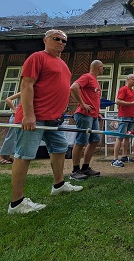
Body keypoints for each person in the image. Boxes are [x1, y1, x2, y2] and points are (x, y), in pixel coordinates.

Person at [8, 30, 83, 215]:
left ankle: (58, 185)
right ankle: (16, 203)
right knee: (24, 155)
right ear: (45, 40)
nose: (60, 42)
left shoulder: (63, 65)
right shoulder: (37, 57)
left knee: (59, 148)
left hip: (53, 119)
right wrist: (28, 115)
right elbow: (26, 85)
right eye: (56, 39)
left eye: (64, 40)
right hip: (35, 116)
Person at [69, 60, 104, 180]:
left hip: (93, 116)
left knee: (95, 140)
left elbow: (93, 99)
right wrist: (83, 104)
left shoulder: (95, 82)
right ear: (98, 68)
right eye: (102, 68)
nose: (103, 70)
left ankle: (85, 167)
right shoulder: (87, 77)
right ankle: (75, 170)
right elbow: (73, 88)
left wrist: (97, 113)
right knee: (81, 141)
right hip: (84, 114)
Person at [111, 74, 134, 167]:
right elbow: (118, 101)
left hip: (131, 116)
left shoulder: (132, 91)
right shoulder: (123, 89)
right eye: (133, 79)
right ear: (128, 79)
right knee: (120, 137)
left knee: (127, 137)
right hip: (123, 116)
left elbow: (132, 104)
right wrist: (131, 103)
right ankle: (115, 159)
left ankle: (124, 156)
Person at [0, 92, 20, 164]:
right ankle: (1, 156)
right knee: (10, 137)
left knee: (15, 137)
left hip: (22, 117)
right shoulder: (23, 92)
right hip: (16, 117)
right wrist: (14, 109)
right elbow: (8, 99)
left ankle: (7, 156)